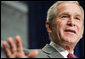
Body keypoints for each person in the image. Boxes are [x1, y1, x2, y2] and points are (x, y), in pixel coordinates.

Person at [1, 1, 84, 58]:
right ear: (49, 26)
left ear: (82, 31)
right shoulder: (30, 55)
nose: (72, 22)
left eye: (77, 18)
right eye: (64, 16)